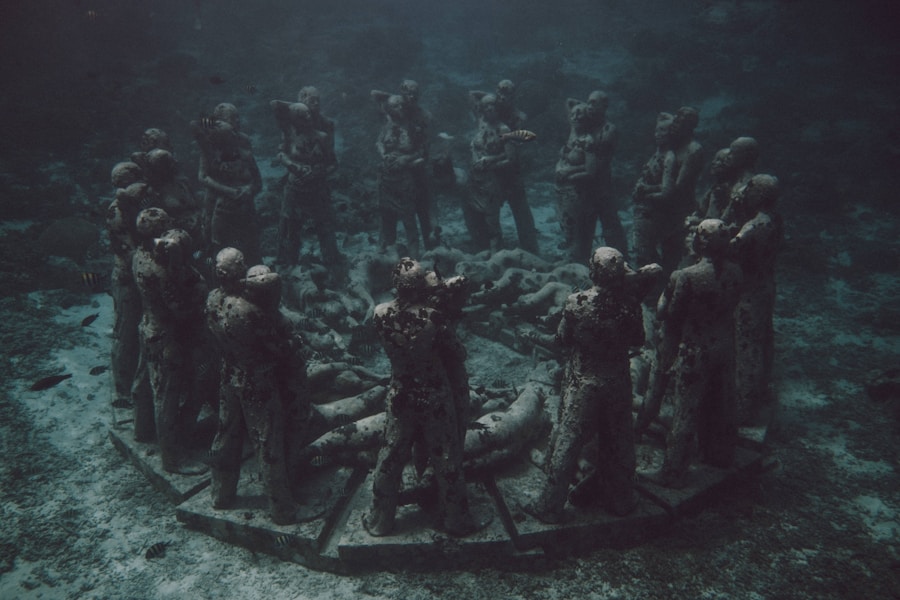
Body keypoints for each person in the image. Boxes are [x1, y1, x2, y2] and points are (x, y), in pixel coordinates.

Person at [525, 248, 646, 522]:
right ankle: (622, 499)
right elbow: (638, 339)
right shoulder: (630, 304)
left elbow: (563, 340)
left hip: (584, 382)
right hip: (617, 380)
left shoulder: (576, 302)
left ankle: (549, 505)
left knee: (568, 440)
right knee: (621, 439)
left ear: (592, 272)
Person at [364, 258, 482, 537]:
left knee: (391, 453)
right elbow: (458, 353)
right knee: (445, 455)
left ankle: (380, 519)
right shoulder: (432, 317)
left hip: (400, 391)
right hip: (434, 393)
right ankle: (456, 519)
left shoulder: (379, 313)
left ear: (395, 284)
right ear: (420, 285)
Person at [205, 250, 315, 524]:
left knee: (225, 433)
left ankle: (221, 493)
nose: (245, 266)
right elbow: (278, 349)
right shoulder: (249, 310)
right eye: (241, 263)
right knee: (268, 442)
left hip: (228, 373)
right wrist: (295, 344)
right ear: (234, 270)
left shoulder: (213, 299)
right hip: (257, 381)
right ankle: (282, 508)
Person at [648, 219, 742, 488]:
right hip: (724, 345)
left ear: (700, 243)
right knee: (723, 401)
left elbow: (669, 314)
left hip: (696, 349)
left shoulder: (687, 276)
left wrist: (664, 296)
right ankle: (722, 455)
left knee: (686, 410)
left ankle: (674, 471)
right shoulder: (736, 271)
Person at [132, 209, 209, 474]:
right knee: (167, 396)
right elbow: (181, 309)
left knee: (144, 384)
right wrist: (195, 282)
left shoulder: (139, 255)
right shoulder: (163, 271)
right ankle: (173, 459)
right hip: (167, 339)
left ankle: (141, 429)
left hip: (148, 327)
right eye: (163, 232)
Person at [729, 174, 782, 423]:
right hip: (767, 285)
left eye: (750, 188)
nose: (745, 190)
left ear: (759, 195)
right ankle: (762, 393)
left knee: (746, 345)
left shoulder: (753, 226)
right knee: (764, 339)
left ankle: (743, 407)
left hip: (749, 290)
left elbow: (731, 249)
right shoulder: (776, 220)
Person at [271, 95, 342, 269]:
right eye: (303, 117)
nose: (308, 119)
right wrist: (292, 166)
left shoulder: (322, 137)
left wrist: (319, 173)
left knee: (325, 227)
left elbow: (333, 163)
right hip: (294, 189)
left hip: (318, 189)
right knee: (290, 227)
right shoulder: (289, 135)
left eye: (309, 115)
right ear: (295, 121)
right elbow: (280, 154)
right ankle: (287, 263)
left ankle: (332, 264)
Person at [633, 107, 704, 274]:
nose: (675, 125)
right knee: (653, 252)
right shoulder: (673, 145)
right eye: (676, 120)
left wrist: (646, 192)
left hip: (679, 209)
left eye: (680, 122)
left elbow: (677, 188)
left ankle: (663, 289)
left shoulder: (693, 150)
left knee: (673, 256)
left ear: (689, 126)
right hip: (662, 207)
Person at [193, 103, 262, 264]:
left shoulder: (243, 140)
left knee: (251, 246)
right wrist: (229, 191)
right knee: (218, 249)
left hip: (244, 202)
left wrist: (249, 190)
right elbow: (202, 177)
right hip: (218, 204)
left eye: (238, 117)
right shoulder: (209, 144)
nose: (238, 121)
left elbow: (253, 174)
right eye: (233, 118)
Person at [107, 165, 147, 410]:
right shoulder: (117, 211)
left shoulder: (133, 207)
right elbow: (128, 249)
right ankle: (122, 389)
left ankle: (132, 380)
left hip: (136, 275)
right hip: (126, 279)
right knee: (126, 331)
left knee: (132, 330)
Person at [467, 93, 523, 253]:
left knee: (492, 219)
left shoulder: (503, 129)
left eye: (493, 106)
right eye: (486, 106)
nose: (490, 109)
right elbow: (472, 95)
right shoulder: (481, 124)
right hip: (476, 179)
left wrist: (489, 161)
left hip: (493, 180)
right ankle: (481, 249)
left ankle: (496, 252)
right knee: (477, 216)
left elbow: (511, 158)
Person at [373, 93, 426, 256]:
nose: (400, 108)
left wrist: (405, 159)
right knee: (386, 219)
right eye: (396, 106)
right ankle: (386, 255)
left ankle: (414, 255)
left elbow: (422, 151)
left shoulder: (412, 128)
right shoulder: (386, 127)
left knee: (408, 219)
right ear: (389, 109)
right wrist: (384, 155)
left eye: (402, 105)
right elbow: (379, 142)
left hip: (405, 180)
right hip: (387, 180)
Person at [555, 99, 600, 261]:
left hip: (577, 193)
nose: (574, 117)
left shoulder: (588, 141)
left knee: (576, 231)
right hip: (562, 191)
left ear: (586, 119)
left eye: (578, 115)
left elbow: (590, 171)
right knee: (566, 228)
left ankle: (577, 263)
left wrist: (568, 172)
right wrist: (580, 107)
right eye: (572, 115)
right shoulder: (572, 134)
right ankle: (571, 260)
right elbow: (568, 102)